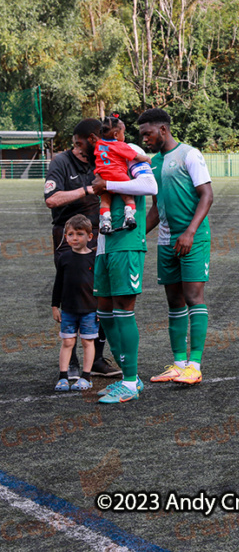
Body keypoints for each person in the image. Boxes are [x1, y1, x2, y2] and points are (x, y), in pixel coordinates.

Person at [137, 109, 214, 384]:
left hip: (192, 239)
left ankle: (195, 365)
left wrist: (190, 232)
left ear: (163, 130)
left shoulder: (189, 155)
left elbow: (207, 195)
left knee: (194, 297)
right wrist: (138, 236)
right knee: (174, 301)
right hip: (167, 242)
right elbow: (156, 208)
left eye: (148, 133)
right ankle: (179, 364)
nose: (145, 139)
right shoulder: (154, 163)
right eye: (142, 135)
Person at [43, 118, 120, 380]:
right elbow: (52, 200)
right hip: (70, 237)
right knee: (73, 293)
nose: (76, 148)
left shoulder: (105, 159)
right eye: (74, 144)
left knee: (100, 296)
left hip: (101, 236)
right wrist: (87, 189)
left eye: (80, 143)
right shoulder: (61, 162)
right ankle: (72, 360)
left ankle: (96, 358)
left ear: (94, 140)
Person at [87, 133, 158, 404]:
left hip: (126, 242)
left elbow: (149, 185)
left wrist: (108, 183)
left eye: (80, 144)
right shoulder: (100, 157)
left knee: (123, 310)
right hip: (106, 243)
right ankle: (128, 377)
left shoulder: (130, 150)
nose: (77, 150)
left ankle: (130, 381)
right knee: (104, 311)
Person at [52, 215, 98, 392]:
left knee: (88, 342)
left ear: (89, 236)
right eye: (70, 234)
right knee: (68, 342)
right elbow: (58, 283)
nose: (75, 238)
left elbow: (101, 284)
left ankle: (86, 377)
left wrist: (101, 307)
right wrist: (55, 306)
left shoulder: (95, 258)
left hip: (90, 310)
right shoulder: (64, 258)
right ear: (65, 237)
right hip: (68, 310)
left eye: (79, 234)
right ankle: (63, 377)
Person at [94, 116, 152, 234]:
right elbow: (135, 156)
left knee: (105, 201)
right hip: (117, 176)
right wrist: (146, 159)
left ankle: (105, 223)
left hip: (102, 176)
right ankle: (129, 217)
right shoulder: (120, 145)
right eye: (123, 133)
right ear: (116, 135)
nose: (124, 136)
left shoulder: (99, 144)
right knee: (128, 197)